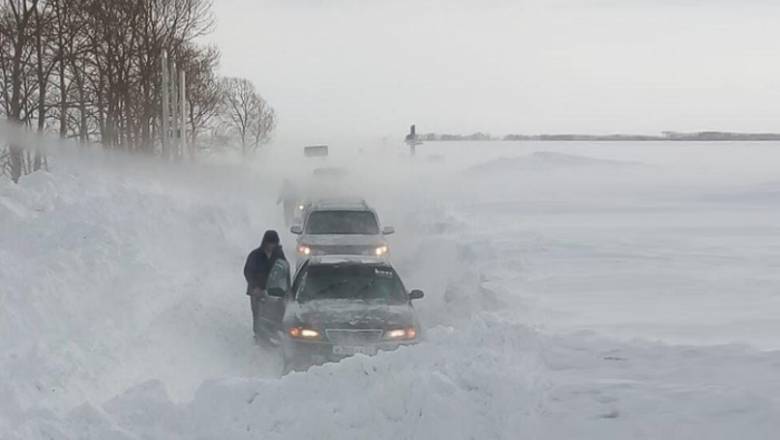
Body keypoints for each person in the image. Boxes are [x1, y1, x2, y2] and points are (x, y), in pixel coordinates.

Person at [244, 230, 287, 343]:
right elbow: (248, 271)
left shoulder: (279, 255)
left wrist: (286, 289)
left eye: (273, 243)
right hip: (257, 290)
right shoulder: (255, 255)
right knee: (257, 311)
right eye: (269, 243)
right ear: (264, 242)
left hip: (274, 290)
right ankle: (258, 335)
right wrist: (254, 287)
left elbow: (284, 270)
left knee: (277, 311)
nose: (271, 246)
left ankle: (273, 332)